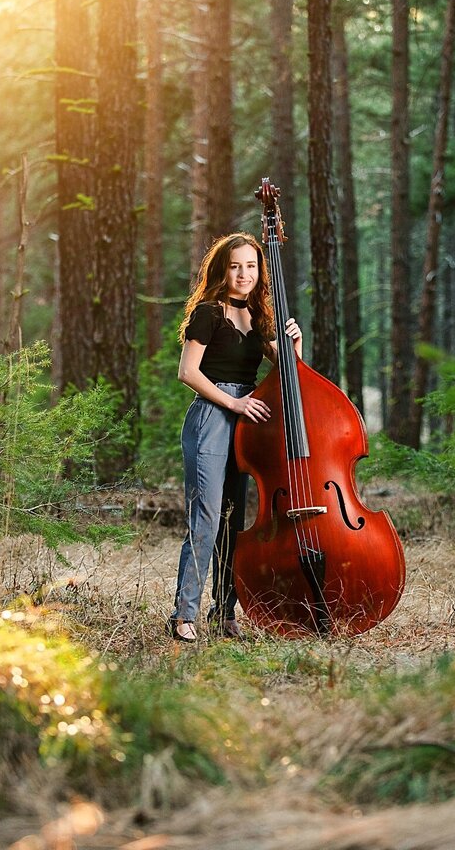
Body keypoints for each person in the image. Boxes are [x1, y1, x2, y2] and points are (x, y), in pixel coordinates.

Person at [168, 232, 302, 642]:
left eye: (251, 266)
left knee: (232, 520)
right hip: (213, 416)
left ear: (260, 271)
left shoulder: (260, 318)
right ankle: (183, 615)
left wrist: (295, 343)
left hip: (246, 423)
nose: (244, 274)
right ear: (223, 269)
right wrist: (234, 403)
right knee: (206, 517)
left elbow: (291, 373)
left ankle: (224, 614)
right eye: (235, 266)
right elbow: (188, 372)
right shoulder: (208, 313)